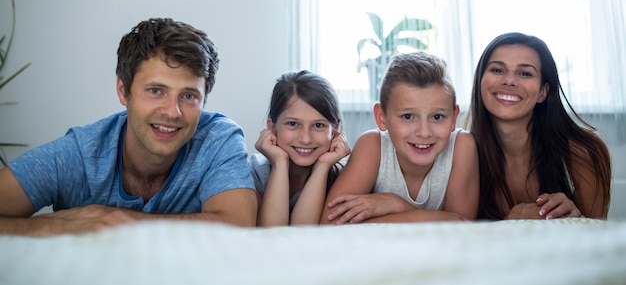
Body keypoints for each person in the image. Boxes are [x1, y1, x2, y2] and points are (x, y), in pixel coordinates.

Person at [0, 18, 257, 236]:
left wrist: (113, 219)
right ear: (124, 91)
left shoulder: (217, 138)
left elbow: (237, 226)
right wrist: (54, 227)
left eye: (188, 96)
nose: (172, 111)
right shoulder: (78, 154)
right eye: (156, 91)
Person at [465, 32, 612, 220]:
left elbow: (596, 240)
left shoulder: (583, 152)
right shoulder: (461, 154)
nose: (509, 80)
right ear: (480, 82)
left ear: (543, 92)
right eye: (497, 70)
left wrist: (573, 220)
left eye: (525, 73)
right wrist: (510, 223)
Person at [320, 52, 479, 225]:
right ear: (382, 117)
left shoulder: (462, 146)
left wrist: (396, 204)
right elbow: (330, 224)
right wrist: (430, 217)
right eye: (408, 116)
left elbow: (463, 227)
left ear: (454, 118)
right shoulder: (373, 145)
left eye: (438, 117)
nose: (424, 132)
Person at [250, 70, 351, 226]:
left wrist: (322, 167)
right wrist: (279, 163)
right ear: (272, 126)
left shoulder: (344, 178)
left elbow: (303, 234)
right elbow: (272, 235)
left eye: (318, 125)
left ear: (334, 129)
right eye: (293, 124)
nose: (305, 139)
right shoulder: (254, 173)